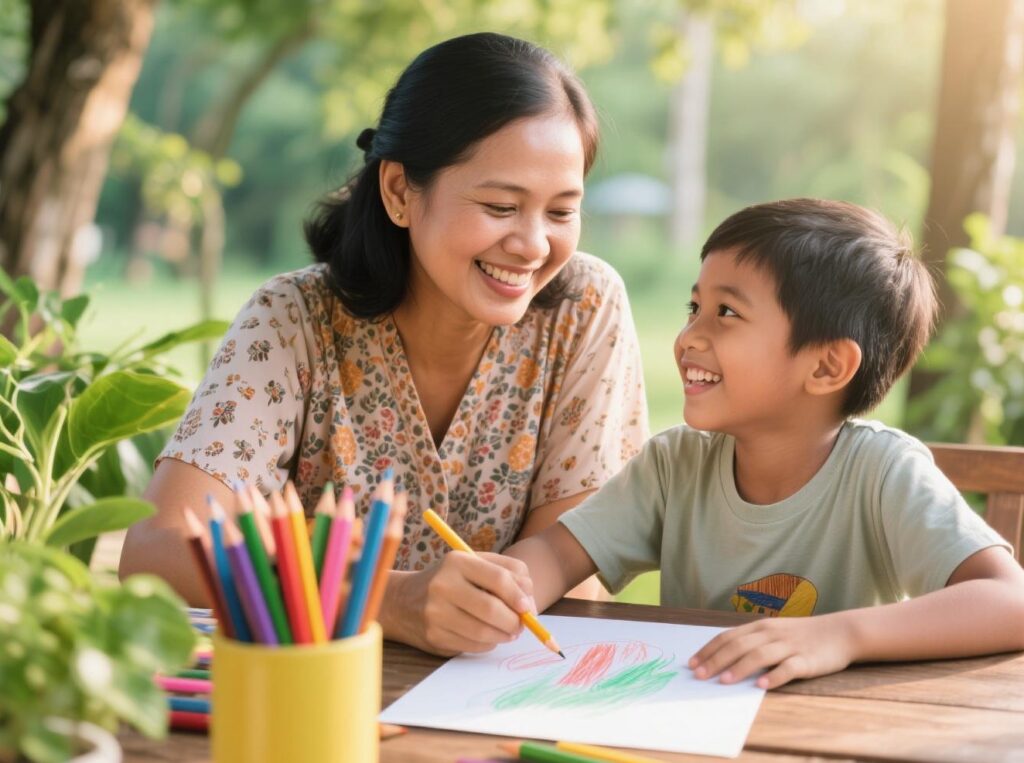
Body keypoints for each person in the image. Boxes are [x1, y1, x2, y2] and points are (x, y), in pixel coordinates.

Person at [119, 32, 648, 656]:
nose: (534, 245)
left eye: (561, 212)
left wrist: (479, 601)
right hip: (314, 702)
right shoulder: (293, 319)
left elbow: (578, 555)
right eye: (502, 206)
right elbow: (155, 548)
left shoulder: (584, 306)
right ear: (399, 191)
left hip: (497, 701)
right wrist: (387, 598)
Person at [500, 198, 1024, 687]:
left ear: (825, 366)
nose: (689, 337)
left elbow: (1011, 601)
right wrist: (505, 591)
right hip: (693, 716)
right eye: (693, 307)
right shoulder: (674, 464)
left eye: (727, 313)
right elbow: (556, 553)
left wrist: (842, 635)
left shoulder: (884, 473)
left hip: (839, 728)